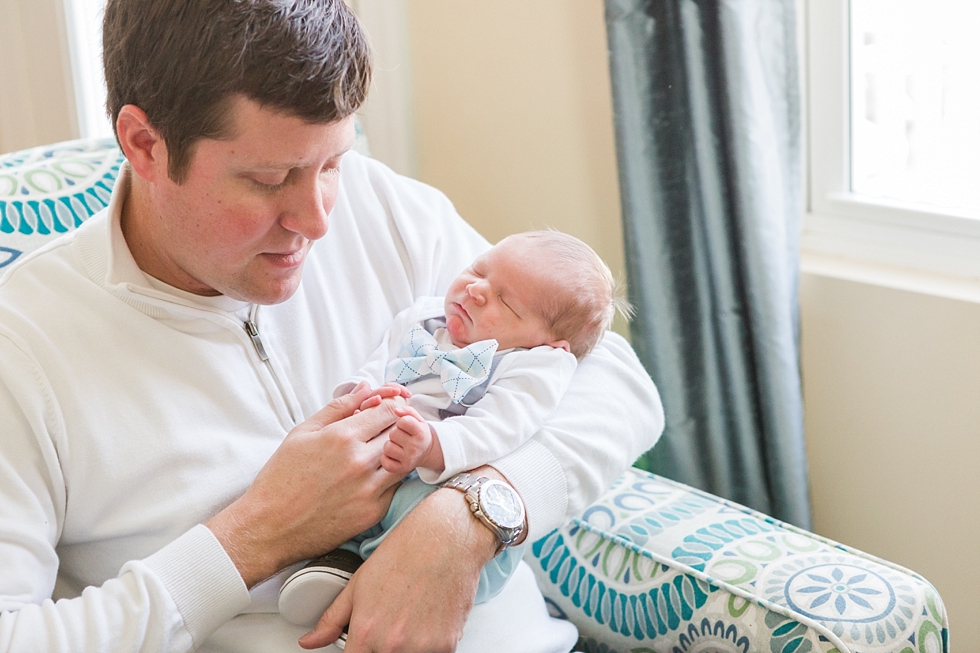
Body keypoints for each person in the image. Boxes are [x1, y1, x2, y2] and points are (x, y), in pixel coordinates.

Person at [0, 2, 664, 653]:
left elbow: (612, 378)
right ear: (144, 144)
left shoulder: (380, 207)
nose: (318, 220)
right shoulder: (24, 347)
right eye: (268, 179)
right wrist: (255, 534)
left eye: (331, 164)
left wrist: (469, 512)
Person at [279, 231, 631, 628]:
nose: (477, 290)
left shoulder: (534, 364)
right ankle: (337, 564)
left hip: (447, 483)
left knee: (415, 509)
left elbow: (500, 429)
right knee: (343, 497)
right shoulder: (423, 318)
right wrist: (361, 392)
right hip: (386, 458)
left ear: (550, 343)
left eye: (506, 301)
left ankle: (381, 586)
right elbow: (379, 363)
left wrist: (432, 446)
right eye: (479, 270)